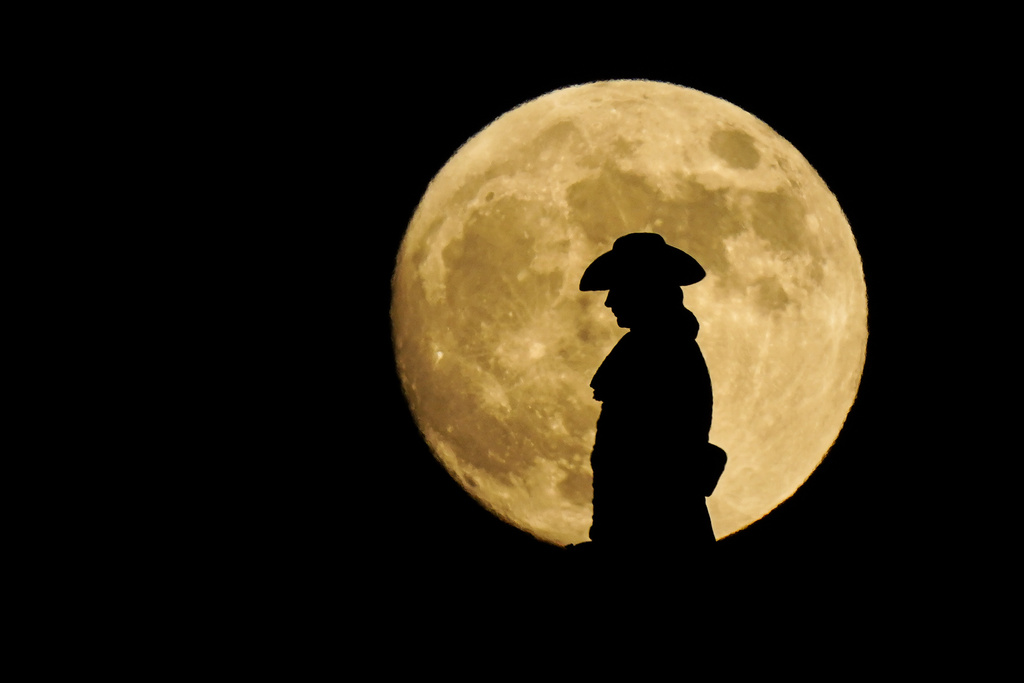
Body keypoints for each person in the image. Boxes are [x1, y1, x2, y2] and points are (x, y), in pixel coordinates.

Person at [578, 232, 726, 559]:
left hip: (655, 533)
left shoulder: (657, 353)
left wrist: (613, 538)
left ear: (643, 290)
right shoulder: (659, 348)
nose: (609, 301)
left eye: (618, 289)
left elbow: (636, 458)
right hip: (648, 528)